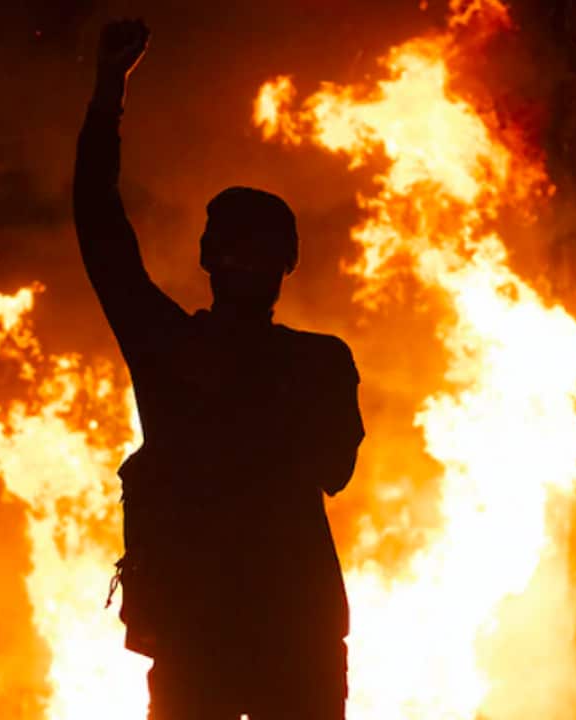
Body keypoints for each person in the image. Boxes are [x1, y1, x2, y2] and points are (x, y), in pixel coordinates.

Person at [75, 20, 366, 720]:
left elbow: (99, 225)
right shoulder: (318, 361)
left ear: (208, 259)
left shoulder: (170, 348)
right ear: (289, 264)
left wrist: (110, 88)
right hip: (280, 634)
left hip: (209, 633)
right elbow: (336, 468)